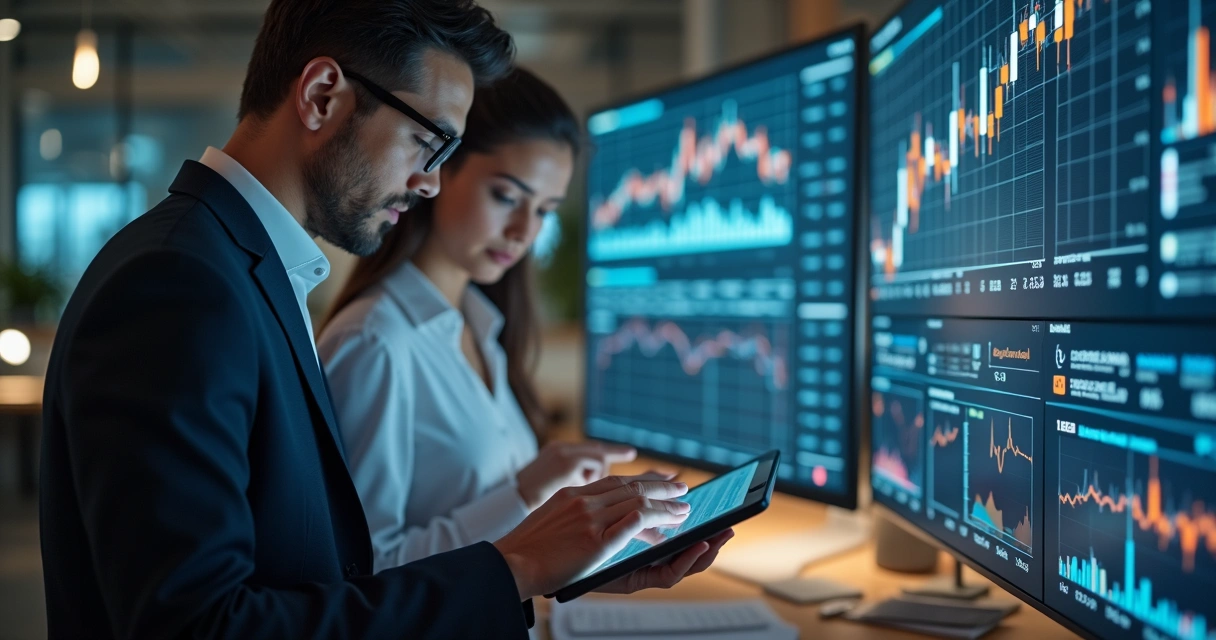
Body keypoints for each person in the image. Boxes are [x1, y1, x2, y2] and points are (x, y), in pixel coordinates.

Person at [38, 1, 731, 638]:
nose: (430, 181)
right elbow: (200, 626)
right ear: (321, 96)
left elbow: (320, 571)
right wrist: (516, 565)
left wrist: (563, 568)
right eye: (429, 142)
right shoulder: (180, 283)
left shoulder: (244, 272)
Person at [319, 68, 653, 571]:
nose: (523, 231)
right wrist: (526, 489)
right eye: (506, 196)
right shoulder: (376, 342)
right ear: (440, 168)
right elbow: (365, 573)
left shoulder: (481, 326)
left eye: (543, 210)